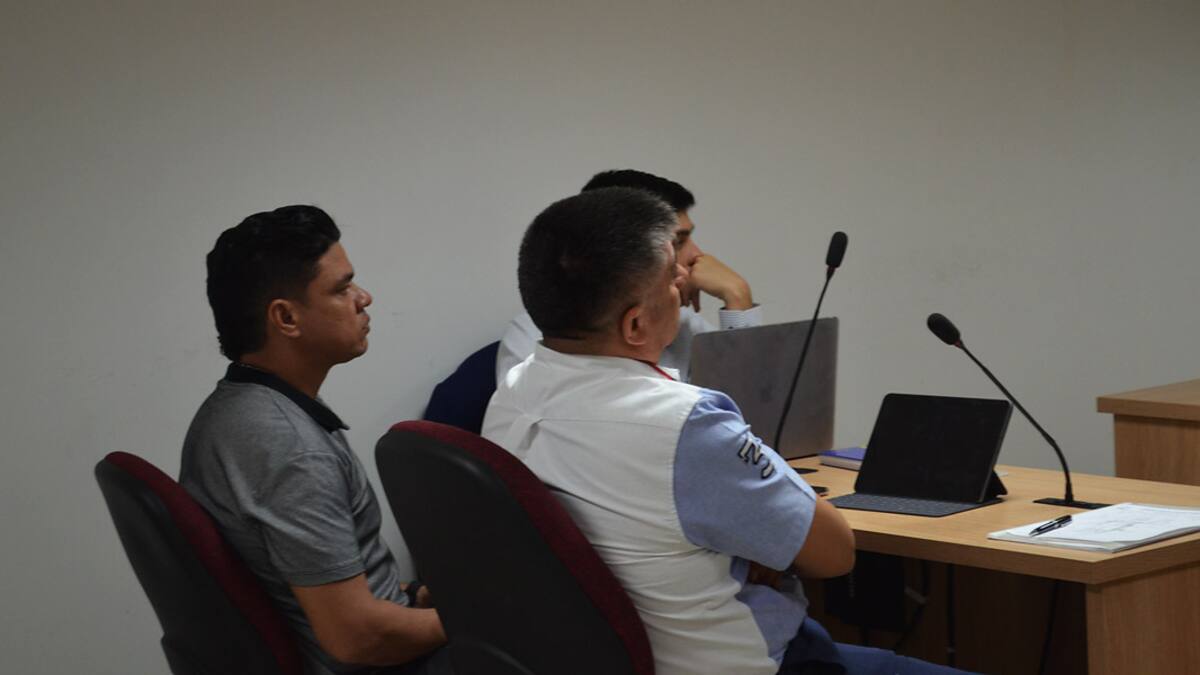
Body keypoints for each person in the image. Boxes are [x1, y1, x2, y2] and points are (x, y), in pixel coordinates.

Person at [482, 188, 973, 675]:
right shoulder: (684, 422)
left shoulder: (511, 394)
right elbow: (834, 553)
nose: (684, 279)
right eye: (671, 277)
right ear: (635, 325)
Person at [180, 205, 453, 675]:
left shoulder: (238, 409)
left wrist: (417, 597)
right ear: (286, 317)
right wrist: (477, 619)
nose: (363, 298)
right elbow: (358, 638)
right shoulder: (288, 448)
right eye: (342, 288)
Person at [495, 169, 761, 382]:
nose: (698, 255)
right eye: (678, 242)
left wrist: (737, 296)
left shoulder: (682, 324)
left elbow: (753, 407)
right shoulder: (537, 338)